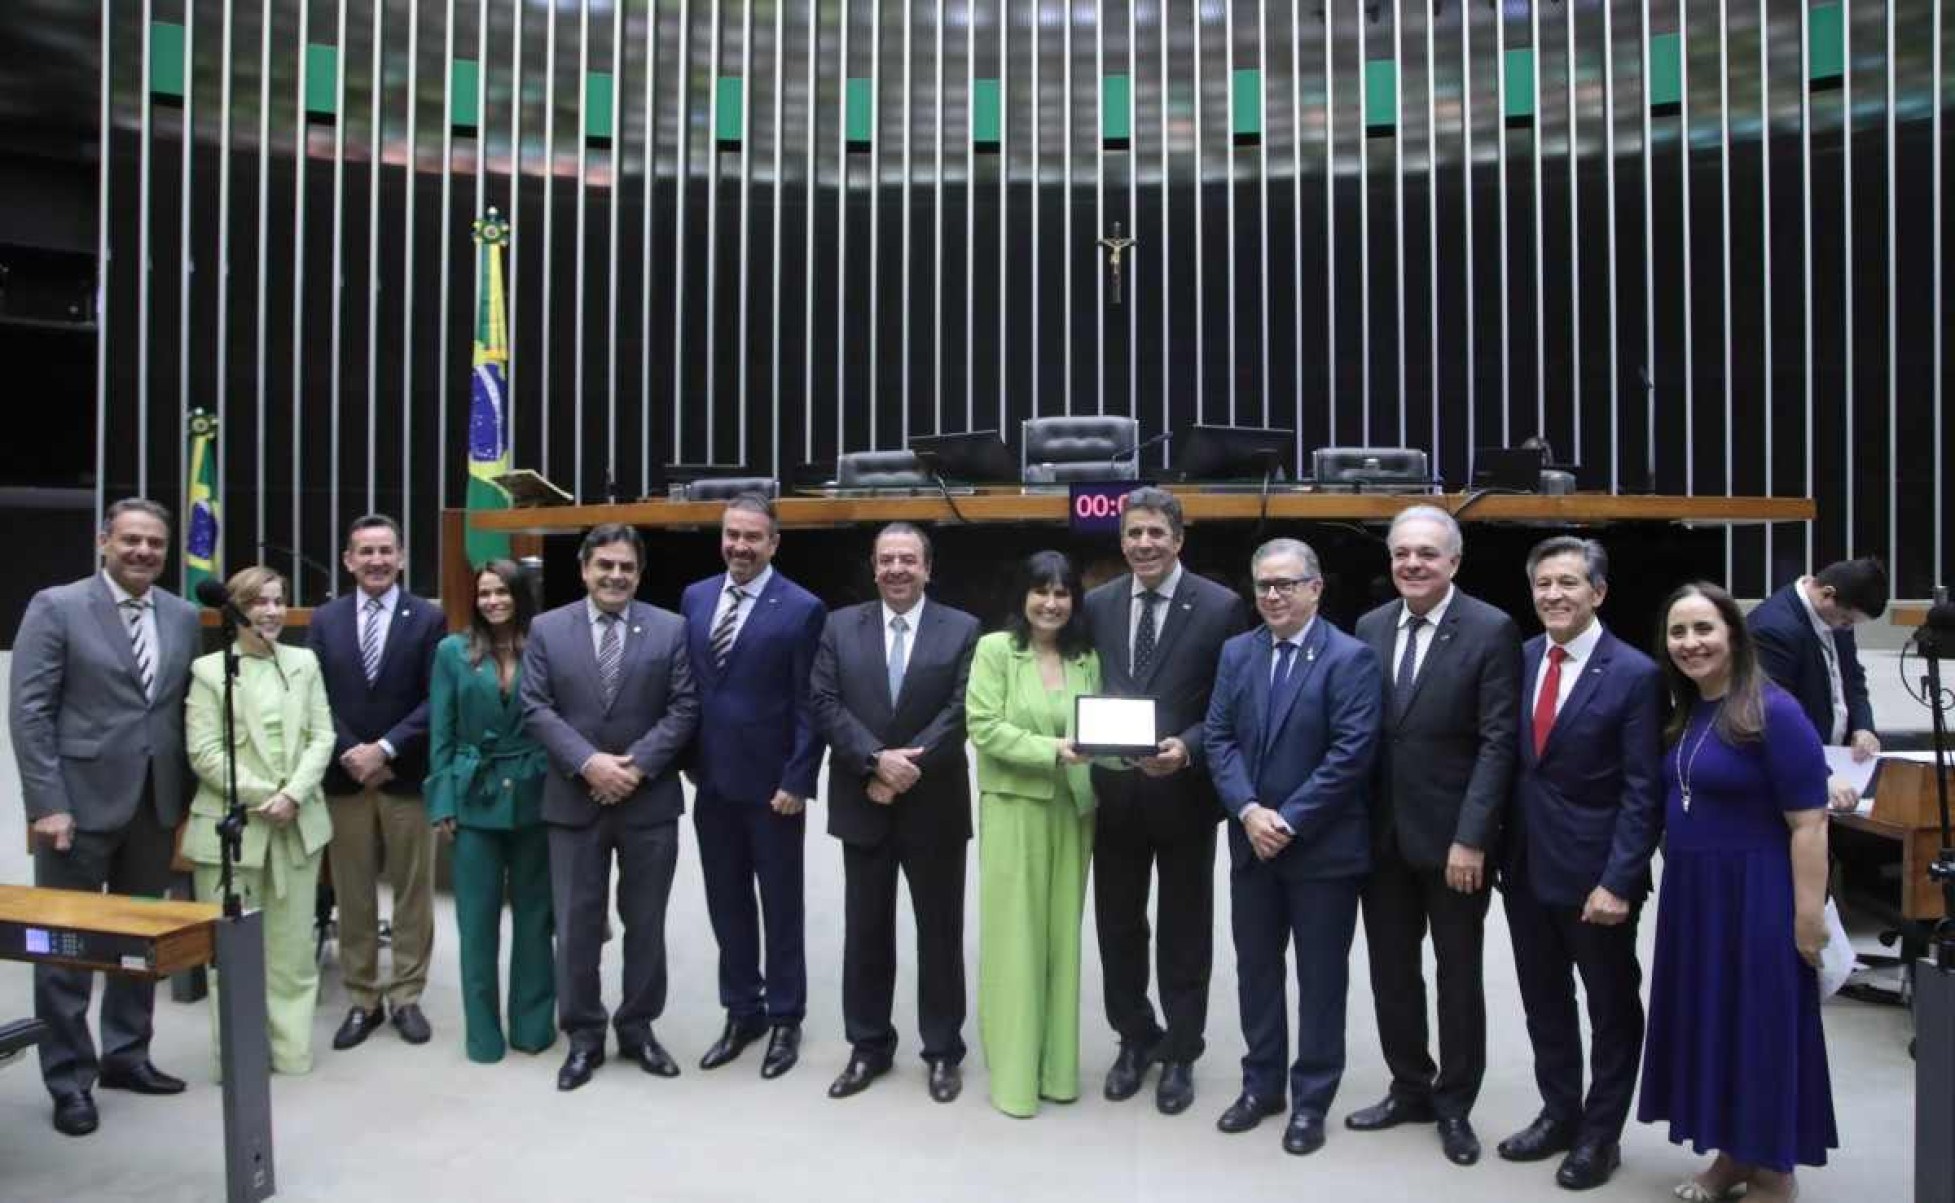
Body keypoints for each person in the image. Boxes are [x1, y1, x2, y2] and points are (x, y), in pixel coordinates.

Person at [1639, 582, 1838, 1203]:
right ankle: (1732, 1154)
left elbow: (1810, 822)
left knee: (1759, 1027)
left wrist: (1809, 918)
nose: (1690, 643)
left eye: (1703, 629)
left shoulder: (1775, 711)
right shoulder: (1690, 709)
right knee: (1714, 1025)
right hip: (1696, 898)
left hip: (1758, 896)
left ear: (1733, 633)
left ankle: (1774, 1171)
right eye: (1678, 632)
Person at [8, 499, 201, 1136]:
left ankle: (127, 1055)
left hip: (153, 803)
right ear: (103, 542)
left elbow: (174, 713)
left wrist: (183, 805)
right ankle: (69, 1078)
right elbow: (30, 713)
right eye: (131, 540)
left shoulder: (181, 614)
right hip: (77, 806)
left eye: (154, 543)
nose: (143, 551)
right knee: (65, 949)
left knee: (139, 942)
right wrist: (48, 804)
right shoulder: (56, 606)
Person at [1348, 504, 1521, 1166]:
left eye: (1426, 552)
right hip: (1381, 837)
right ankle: (1408, 1086)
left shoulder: (1490, 628)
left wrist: (1472, 836)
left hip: (1455, 844)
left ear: (1453, 560)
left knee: (1456, 976)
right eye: (1401, 553)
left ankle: (1454, 1103)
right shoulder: (1368, 626)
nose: (1411, 564)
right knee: (1392, 972)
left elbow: (1498, 740)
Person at [1495, 537, 1663, 1190]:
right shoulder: (1522, 657)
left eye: (1567, 582)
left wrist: (1619, 880)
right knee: (1543, 1002)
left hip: (1597, 879)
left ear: (1597, 592)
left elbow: (1640, 789)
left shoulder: (1633, 673)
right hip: (1526, 867)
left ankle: (1600, 1133)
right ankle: (1558, 1112)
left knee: (1610, 1008)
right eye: (1542, 583)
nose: (1552, 595)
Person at [1203, 538, 1380, 1157]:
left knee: (1321, 978)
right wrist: (1250, 812)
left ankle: (1311, 1100)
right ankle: (1262, 1087)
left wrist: (1289, 820)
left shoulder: (1351, 658)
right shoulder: (1236, 653)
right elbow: (1219, 739)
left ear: (1315, 588)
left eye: (1286, 584)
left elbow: (1351, 754)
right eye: (1264, 586)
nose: (1273, 596)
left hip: (1322, 853)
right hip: (1252, 844)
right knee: (1256, 971)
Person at [1080, 487, 1250, 1116]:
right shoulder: (1095, 605)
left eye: (1156, 533)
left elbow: (1231, 706)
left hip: (1184, 796)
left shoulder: (1222, 606)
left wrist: (1189, 746)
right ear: (1120, 540)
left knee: (1185, 932)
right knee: (1117, 927)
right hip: (1116, 797)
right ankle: (1133, 1038)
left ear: (1179, 540)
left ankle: (1180, 1050)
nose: (1144, 545)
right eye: (1133, 534)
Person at [521, 522, 699, 1091]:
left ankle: (639, 1028)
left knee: (645, 923)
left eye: (626, 567)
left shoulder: (671, 630)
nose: (615, 576)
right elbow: (535, 707)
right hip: (573, 801)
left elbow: (684, 708)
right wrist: (590, 764)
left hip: (648, 803)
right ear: (584, 569)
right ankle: (583, 1035)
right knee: (576, 925)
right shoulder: (548, 629)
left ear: (639, 574)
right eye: (605, 566)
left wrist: (635, 767)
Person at [809, 523, 980, 1104]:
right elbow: (825, 703)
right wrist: (874, 762)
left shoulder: (962, 628)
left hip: (934, 806)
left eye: (909, 559)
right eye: (888, 560)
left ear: (928, 568)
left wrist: (906, 769)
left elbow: (961, 710)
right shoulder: (839, 625)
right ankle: (869, 1046)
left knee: (940, 934)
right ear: (874, 567)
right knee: (866, 931)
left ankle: (942, 1051)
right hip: (864, 801)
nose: (898, 569)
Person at [679, 495, 826, 1078]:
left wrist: (798, 777)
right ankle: (743, 1010)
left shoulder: (802, 608)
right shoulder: (695, 596)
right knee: (727, 903)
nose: (740, 546)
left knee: (781, 907)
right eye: (732, 535)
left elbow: (809, 703)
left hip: (773, 789)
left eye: (752, 538)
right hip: (711, 782)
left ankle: (786, 1016)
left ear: (773, 543)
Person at [964, 550, 1100, 1118]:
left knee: (1061, 943)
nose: (1051, 603)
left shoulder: (1086, 656)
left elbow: (1101, 728)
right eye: (1041, 591)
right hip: (1015, 808)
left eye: (1063, 592)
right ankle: (1016, 1079)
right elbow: (983, 726)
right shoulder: (996, 650)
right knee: (1016, 940)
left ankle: (1057, 1071)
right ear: (1022, 596)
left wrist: (1138, 755)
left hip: (1074, 811)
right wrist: (1051, 750)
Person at [182, 566, 335, 1075]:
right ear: (237, 609)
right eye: (259, 602)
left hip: (296, 825)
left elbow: (323, 736)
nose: (272, 612)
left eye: (279, 600)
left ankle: (291, 1053)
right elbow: (205, 753)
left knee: (292, 953)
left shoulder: (304, 662)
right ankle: (240, 1059)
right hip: (233, 831)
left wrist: (293, 794)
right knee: (232, 959)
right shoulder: (209, 670)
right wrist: (267, 794)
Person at [306, 513, 447, 1050]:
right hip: (344, 778)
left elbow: (438, 696)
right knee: (354, 893)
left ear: (402, 557)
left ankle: (407, 995)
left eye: (386, 551)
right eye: (365, 551)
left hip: (404, 775)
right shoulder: (325, 619)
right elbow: (314, 693)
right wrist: (352, 752)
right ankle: (362, 998)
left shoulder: (428, 619)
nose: (376, 561)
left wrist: (385, 749)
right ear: (348, 560)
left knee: (414, 892)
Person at [427, 560, 555, 1064]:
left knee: (534, 918)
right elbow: (442, 729)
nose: (493, 601)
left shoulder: (544, 647)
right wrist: (441, 800)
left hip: (536, 794)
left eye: (503, 591)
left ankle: (533, 1026)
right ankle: (483, 1035)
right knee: (476, 924)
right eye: (484, 593)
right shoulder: (451, 652)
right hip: (473, 796)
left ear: (521, 595)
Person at [1746, 558, 1888, 812]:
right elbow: (1773, 720)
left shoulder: (1835, 615)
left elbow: (1853, 679)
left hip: (1837, 761)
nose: (1847, 627)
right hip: (1792, 774)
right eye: (1847, 620)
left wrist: (1864, 726)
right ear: (1827, 594)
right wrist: (1820, 774)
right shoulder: (1773, 628)